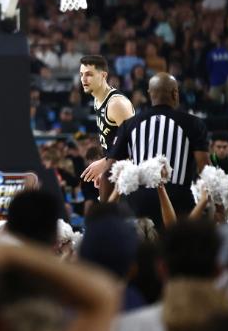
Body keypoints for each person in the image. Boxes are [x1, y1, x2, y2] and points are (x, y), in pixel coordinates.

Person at [82, 73, 209, 227]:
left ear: (150, 94)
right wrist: (217, 208)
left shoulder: (130, 124)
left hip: (138, 204)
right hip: (179, 201)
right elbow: (205, 169)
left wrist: (105, 214)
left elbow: (109, 172)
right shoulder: (194, 123)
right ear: (175, 94)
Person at [78, 54, 136, 207]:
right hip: (115, 172)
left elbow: (136, 146)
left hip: (130, 180)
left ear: (103, 75)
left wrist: (105, 164)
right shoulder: (97, 100)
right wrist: (106, 170)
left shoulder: (116, 104)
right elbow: (113, 141)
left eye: (89, 74)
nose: (84, 79)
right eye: (81, 74)